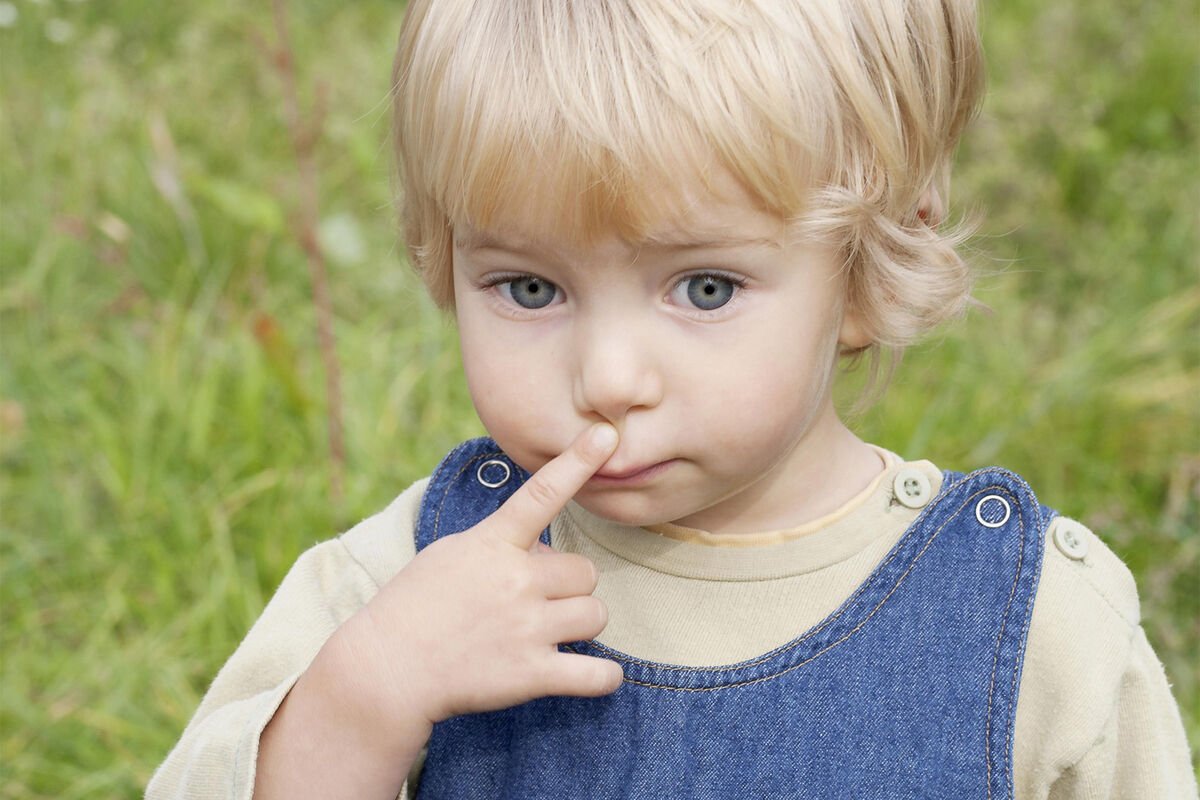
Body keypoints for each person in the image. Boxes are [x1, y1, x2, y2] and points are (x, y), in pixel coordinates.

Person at [148, 1, 1196, 797]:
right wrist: (361, 700)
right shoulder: (402, 584)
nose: (608, 376)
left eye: (704, 287)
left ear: (871, 270)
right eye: (529, 286)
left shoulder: (1030, 631)